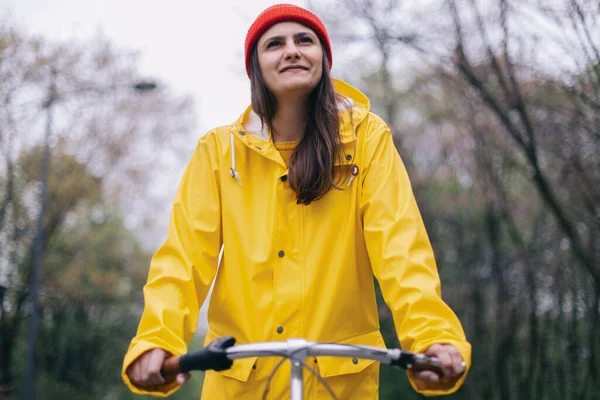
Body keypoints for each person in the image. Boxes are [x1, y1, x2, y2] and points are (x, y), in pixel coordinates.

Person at [122, 3, 471, 399]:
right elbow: (184, 259)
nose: (291, 50)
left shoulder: (367, 140)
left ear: (323, 57)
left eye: (304, 40)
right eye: (274, 44)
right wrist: (157, 341)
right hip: (241, 383)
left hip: (340, 385)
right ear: (256, 67)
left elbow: (401, 249)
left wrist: (433, 337)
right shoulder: (219, 152)